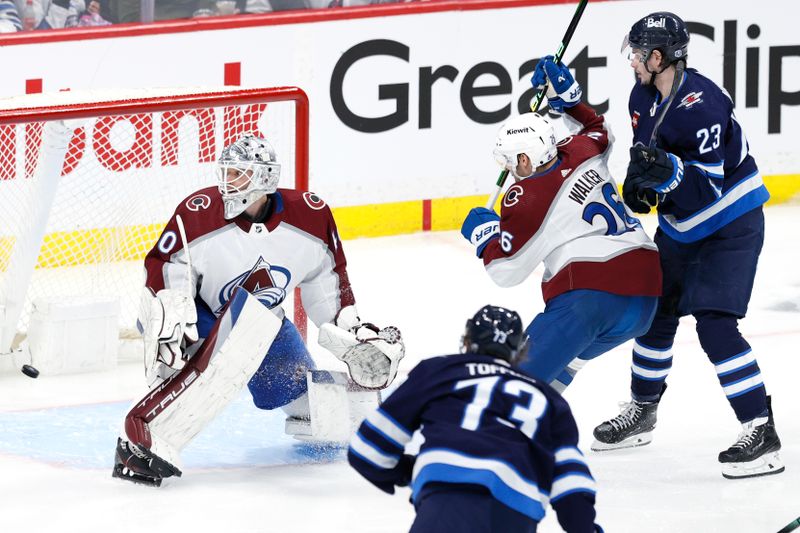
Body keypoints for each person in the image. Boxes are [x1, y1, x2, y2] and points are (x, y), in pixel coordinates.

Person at [112, 133, 404, 486]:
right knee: (210, 356)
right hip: (201, 315)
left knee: (319, 411)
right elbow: (166, 264)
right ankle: (144, 438)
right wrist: (173, 311)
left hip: (263, 322)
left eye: (238, 173)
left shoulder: (311, 217)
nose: (227, 182)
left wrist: (353, 333)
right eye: (226, 172)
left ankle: (370, 418)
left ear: (265, 177)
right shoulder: (198, 212)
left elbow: (327, 282)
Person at [591, 12, 783, 480]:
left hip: (730, 225)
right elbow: (649, 159)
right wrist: (643, 186)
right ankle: (643, 410)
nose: (632, 61)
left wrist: (669, 174)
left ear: (658, 57)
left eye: (638, 53)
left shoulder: (703, 107)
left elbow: (706, 189)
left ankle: (761, 431)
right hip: (682, 228)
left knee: (715, 326)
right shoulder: (641, 94)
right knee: (657, 316)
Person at [459, 57, 661, 393]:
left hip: (591, 298)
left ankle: (488, 439)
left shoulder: (525, 197)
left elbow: (506, 271)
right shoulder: (580, 149)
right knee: (559, 368)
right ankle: (536, 429)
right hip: (645, 298)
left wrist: (486, 235)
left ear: (524, 159)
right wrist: (570, 102)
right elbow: (600, 130)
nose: (510, 171)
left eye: (510, 162)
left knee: (512, 382)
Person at [348, 305, 603, 533]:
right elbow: (571, 483)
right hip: (515, 513)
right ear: (519, 351)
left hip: (445, 503)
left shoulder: (440, 370)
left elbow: (367, 450)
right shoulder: (548, 398)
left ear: (468, 341)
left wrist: (409, 471)